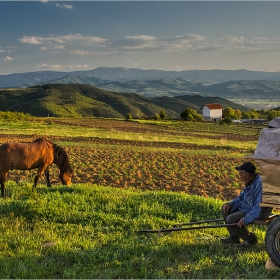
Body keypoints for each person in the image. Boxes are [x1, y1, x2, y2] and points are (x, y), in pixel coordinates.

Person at [220, 161, 272, 247]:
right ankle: (234, 237)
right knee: (225, 208)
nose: (240, 177)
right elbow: (241, 197)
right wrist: (230, 204)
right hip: (246, 208)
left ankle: (250, 239)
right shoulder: (249, 182)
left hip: (255, 212)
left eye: (241, 174)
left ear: (247, 175)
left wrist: (246, 219)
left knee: (230, 219)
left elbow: (258, 207)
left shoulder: (259, 184)